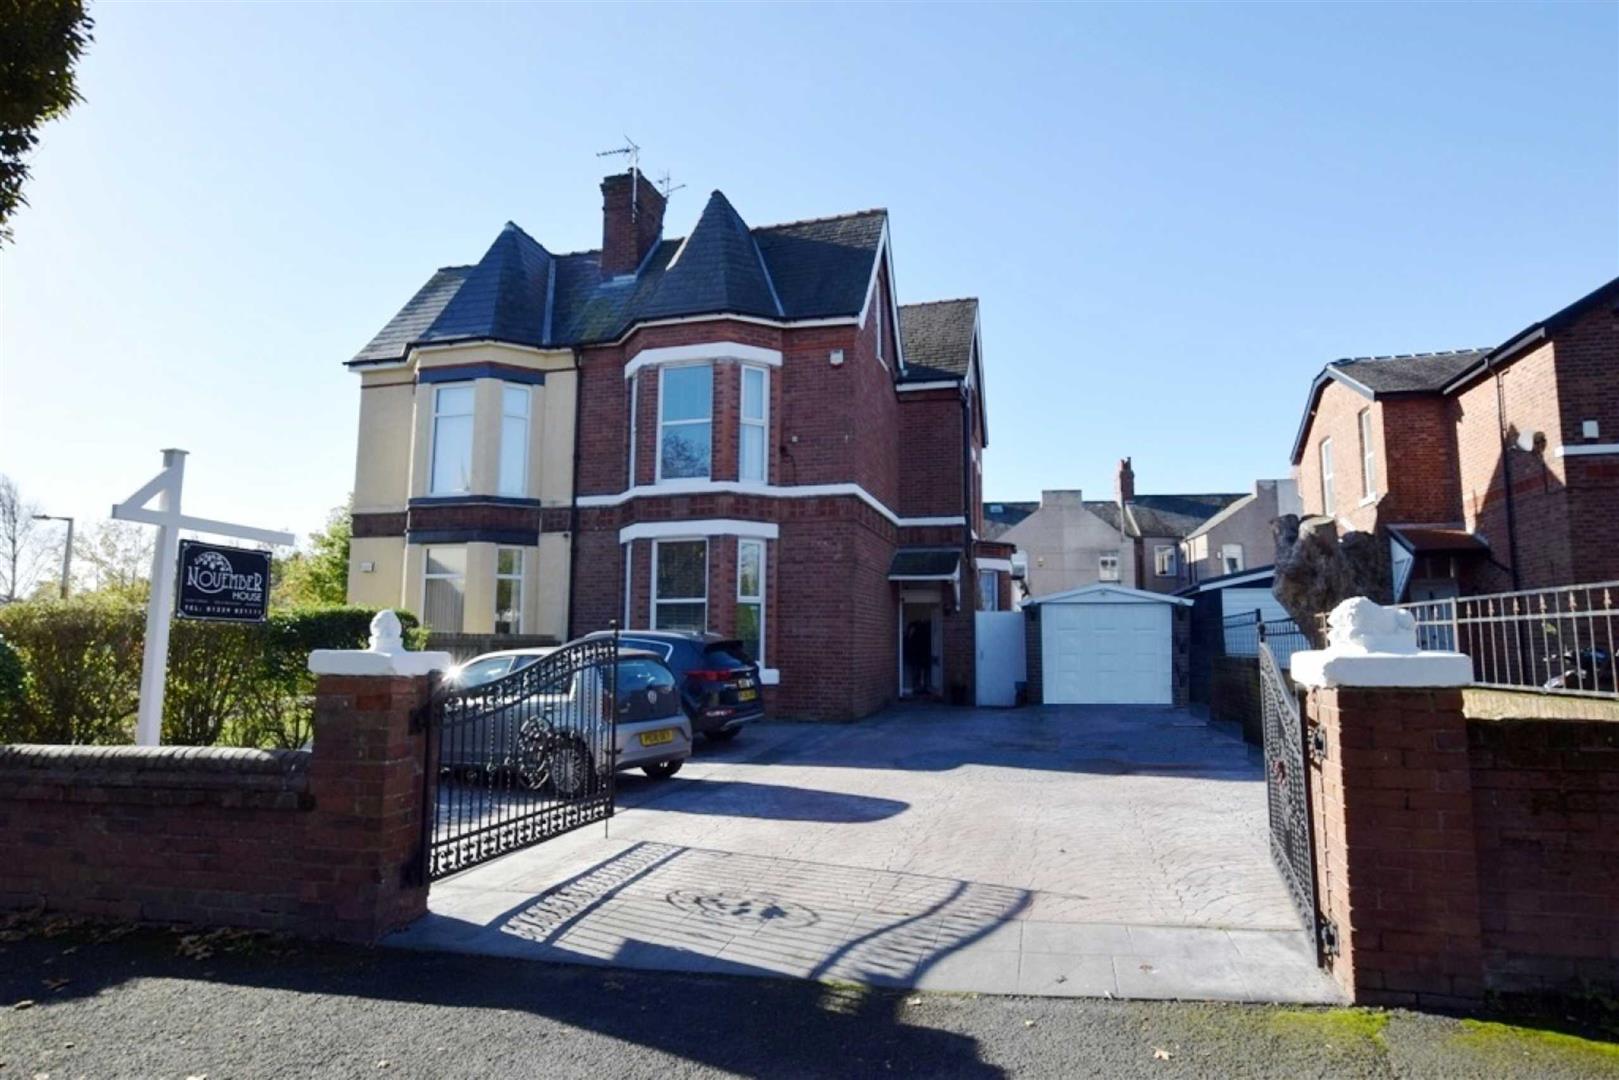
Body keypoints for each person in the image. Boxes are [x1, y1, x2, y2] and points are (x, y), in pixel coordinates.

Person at [904, 619, 933, 696]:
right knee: (918, 672)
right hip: (917, 656)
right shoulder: (913, 636)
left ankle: (922, 687)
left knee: (920, 672)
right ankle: (918, 687)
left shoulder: (919, 634)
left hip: (920, 656)